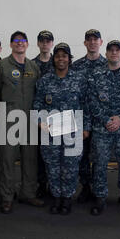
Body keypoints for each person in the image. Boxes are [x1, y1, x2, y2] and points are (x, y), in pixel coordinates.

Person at [86, 40, 120, 217]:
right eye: (111, 50)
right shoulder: (96, 74)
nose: (114, 53)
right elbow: (91, 100)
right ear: (106, 53)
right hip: (102, 129)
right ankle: (100, 197)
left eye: (118, 50)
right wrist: (105, 119)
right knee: (100, 164)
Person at [33, 43, 90, 214]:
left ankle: (67, 199)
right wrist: (41, 123)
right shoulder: (44, 81)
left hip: (73, 132)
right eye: (57, 56)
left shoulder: (79, 80)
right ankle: (56, 198)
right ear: (53, 59)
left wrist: (86, 128)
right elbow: (36, 105)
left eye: (64, 56)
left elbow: (86, 106)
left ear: (69, 59)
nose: (61, 59)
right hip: (50, 132)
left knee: (70, 166)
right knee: (52, 166)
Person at [0, 31, 44, 214]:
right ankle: (7, 197)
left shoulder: (34, 67)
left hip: (30, 118)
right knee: (6, 159)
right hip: (9, 119)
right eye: (16, 41)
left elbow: (38, 92)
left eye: (23, 41)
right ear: (11, 44)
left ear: (27, 44)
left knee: (30, 159)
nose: (20, 44)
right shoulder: (3, 66)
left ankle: (28, 193)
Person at [72, 29, 108, 204]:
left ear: (101, 43)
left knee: (100, 157)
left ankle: (99, 189)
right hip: (81, 118)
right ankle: (86, 187)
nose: (92, 42)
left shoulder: (108, 64)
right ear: (85, 43)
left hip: (101, 120)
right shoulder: (77, 66)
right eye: (89, 40)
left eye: (96, 39)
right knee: (82, 155)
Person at [32, 30, 55, 198]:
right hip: (39, 116)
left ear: (52, 43)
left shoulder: (60, 61)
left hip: (59, 117)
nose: (45, 43)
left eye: (48, 41)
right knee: (40, 154)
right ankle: (42, 184)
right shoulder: (31, 65)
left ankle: (56, 186)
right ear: (38, 43)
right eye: (42, 41)